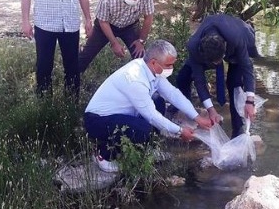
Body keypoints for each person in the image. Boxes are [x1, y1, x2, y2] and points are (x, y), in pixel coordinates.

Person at [84, 40, 213, 173]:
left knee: (158, 101)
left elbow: (173, 94)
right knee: (144, 129)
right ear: (153, 62)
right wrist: (180, 131)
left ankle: (148, 148)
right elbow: (151, 116)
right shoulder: (135, 78)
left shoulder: (151, 70)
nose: (171, 69)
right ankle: (104, 155)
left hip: (121, 115)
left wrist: (197, 117)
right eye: (168, 65)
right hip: (97, 120)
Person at [175, 14, 260, 138]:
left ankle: (237, 128)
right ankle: (188, 111)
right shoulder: (194, 46)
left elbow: (247, 67)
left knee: (234, 83)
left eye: (218, 61)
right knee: (182, 77)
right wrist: (211, 110)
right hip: (209, 51)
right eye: (214, 63)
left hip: (236, 45)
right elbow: (200, 81)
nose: (217, 65)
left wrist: (250, 101)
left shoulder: (236, 37)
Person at [78, 0, 154, 73]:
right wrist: (114, 43)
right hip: (106, 25)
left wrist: (141, 41)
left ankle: (146, 82)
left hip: (130, 26)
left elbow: (148, 17)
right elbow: (103, 21)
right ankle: (73, 81)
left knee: (141, 57)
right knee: (87, 55)